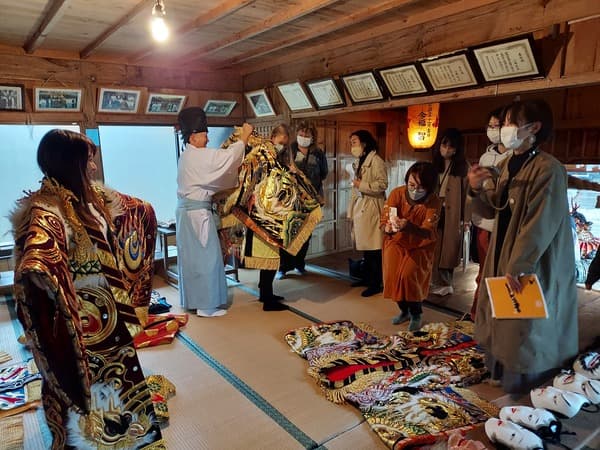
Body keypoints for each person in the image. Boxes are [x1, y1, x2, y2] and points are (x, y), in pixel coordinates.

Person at [11, 129, 165, 448]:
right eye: (88, 161)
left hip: (109, 319)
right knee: (87, 390)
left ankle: (131, 436)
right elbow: (39, 251)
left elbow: (131, 208)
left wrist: (145, 212)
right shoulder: (48, 209)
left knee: (122, 380)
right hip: (81, 323)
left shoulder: (90, 196)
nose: (93, 167)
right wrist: (38, 269)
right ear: (71, 163)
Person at [467, 99, 578, 394]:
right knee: (501, 315)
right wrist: (478, 187)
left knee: (525, 322)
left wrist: (520, 264)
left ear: (534, 128)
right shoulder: (508, 164)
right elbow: (496, 208)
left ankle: (527, 381)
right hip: (503, 249)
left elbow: (540, 222)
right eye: (503, 123)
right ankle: (500, 371)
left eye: (509, 123)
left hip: (532, 258)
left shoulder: (549, 169)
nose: (504, 129)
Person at [176, 106, 253, 317]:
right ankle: (206, 305)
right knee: (206, 258)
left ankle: (195, 300)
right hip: (196, 215)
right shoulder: (197, 157)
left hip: (188, 213)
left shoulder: (187, 157)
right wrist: (244, 137)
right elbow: (227, 158)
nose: (208, 139)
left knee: (193, 260)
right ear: (192, 138)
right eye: (204, 134)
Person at [381, 162, 441, 330]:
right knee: (393, 276)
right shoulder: (397, 193)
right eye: (412, 185)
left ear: (429, 187)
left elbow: (428, 231)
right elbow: (387, 218)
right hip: (396, 240)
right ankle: (403, 311)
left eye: (421, 187)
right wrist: (388, 227)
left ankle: (416, 313)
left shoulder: (434, 201)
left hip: (421, 245)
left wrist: (408, 226)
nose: (415, 190)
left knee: (409, 277)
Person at [467, 107, 510, 319]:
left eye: (499, 126)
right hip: (484, 223)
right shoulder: (486, 156)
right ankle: (477, 314)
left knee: (502, 275)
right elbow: (478, 193)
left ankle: (498, 318)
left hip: (507, 227)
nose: (493, 130)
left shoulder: (518, 157)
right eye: (490, 126)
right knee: (483, 273)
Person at [277, 121, 328, 278]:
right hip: (291, 200)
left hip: (311, 200)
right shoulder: (289, 151)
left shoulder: (318, 153)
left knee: (306, 234)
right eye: (301, 134)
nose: (303, 137)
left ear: (313, 136)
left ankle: (300, 263)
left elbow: (324, 173)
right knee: (287, 233)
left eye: (307, 134)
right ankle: (283, 267)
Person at [348, 129, 389, 297]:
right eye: (351, 143)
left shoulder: (376, 160)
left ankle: (375, 283)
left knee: (374, 248)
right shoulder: (359, 160)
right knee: (365, 247)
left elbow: (383, 184)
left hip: (372, 207)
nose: (352, 146)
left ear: (364, 143)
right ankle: (366, 278)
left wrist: (361, 185)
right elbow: (355, 186)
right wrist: (350, 211)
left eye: (354, 142)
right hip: (361, 206)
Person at [430, 128, 469, 296]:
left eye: (451, 146)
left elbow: (468, 196)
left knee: (449, 250)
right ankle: (435, 281)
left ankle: (447, 283)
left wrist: (466, 219)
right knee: (435, 247)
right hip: (435, 210)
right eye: (444, 145)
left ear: (457, 148)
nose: (447, 149)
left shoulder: (462, 166)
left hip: (453, 213)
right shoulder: (434, 164)